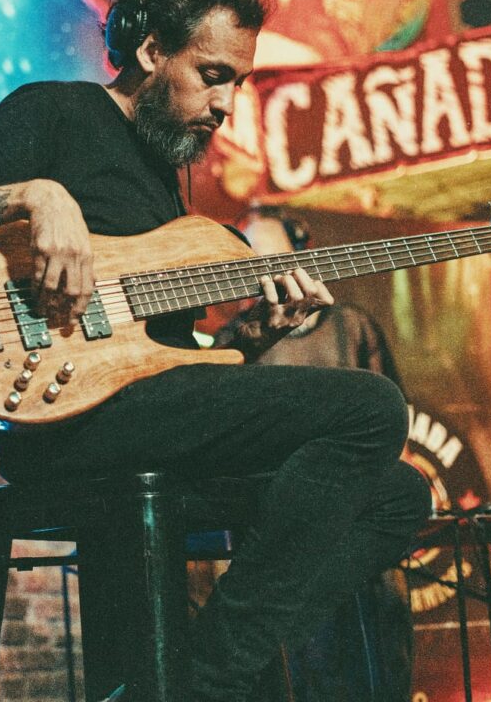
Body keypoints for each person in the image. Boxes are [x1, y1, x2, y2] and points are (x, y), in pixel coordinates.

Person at [0, 0, 432, 702]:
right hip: (64, 420)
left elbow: (167, 360)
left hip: (142, 414)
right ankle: (210, 682)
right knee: (371, 408)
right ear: (151, 49)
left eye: (238, 82)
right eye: (212, 75)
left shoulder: (167, 184)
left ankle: (186, 671)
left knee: (398, 495)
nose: (226, 104)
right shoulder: (57, 111)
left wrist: (257, 333)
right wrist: (37, 195)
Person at [214, 205, 416, 702]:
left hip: (354, 512)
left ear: (299, 254)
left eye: (273, 255)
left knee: (373, 643)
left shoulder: (352, 326)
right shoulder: (231, 340)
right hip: (279, 517)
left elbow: (391, 420)